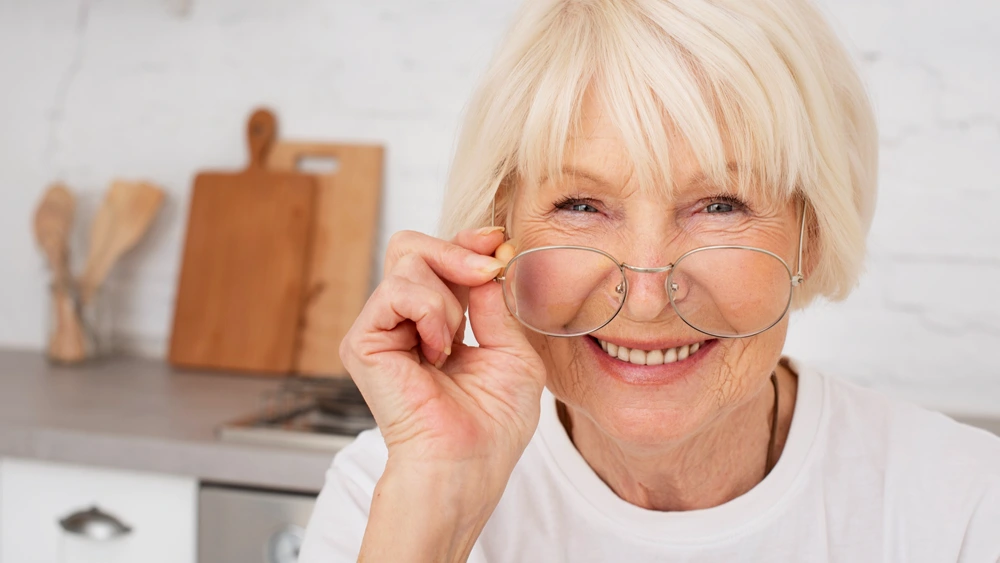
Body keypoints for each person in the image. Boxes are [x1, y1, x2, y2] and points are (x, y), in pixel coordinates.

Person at [299, 0, 1000, 561]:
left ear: (809, 236)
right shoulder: (390, 491)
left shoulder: (965, 504)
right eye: (581, 205)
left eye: (719, 205)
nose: (644, 294)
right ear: (498, 233)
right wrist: (435, 513)